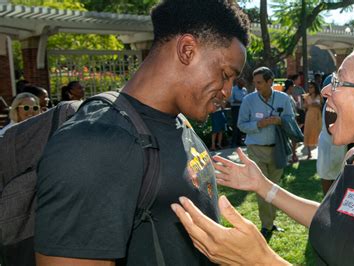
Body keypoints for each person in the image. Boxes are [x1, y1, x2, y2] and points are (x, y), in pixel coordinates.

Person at [172, 42, 354, 265]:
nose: (325, 90)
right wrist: (263, 186)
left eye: (339, 82)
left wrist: (261, 260)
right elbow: (333, 221)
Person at [34, 1, 249, 265]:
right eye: (225, 74)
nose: (228, 91)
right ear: (187, 50)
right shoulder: (93, 145)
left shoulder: (180, 122)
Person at [237, 66, 294, 239]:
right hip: (256, 150)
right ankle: (266, 224)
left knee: (274, 188)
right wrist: (258, 125)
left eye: (260, 82)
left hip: (277, 148)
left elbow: (291, 120)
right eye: (255, 83)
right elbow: (241, 124)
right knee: (262, 189)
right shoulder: (248, 100)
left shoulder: (283, 98)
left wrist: (280, 121)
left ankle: (272, 221)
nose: (257, 86)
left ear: (271, 82)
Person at [317, 74, 347, 195]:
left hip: (334, 146)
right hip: (332, 147)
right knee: (330, 180)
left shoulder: (335, 104)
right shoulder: (332, 105)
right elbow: (332, 129)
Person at [302, 80, 323, 159]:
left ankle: (319, 153)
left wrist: (317, 104)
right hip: (309, 115)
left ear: (315, 87)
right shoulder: (306, 96)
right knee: (308, 132)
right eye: (309, 87)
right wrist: (307, 104)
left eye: (311, 87)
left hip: (317, 116)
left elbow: (321, 106)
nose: (310, 89)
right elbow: (304, 107)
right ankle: (309, 153)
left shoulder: (319, 95)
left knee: (318, 132)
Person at [229, 78, 247, 147]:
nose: (243, 86)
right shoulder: (233, 89)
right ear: (238, 83)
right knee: (235, 125)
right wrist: (241, 101)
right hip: (235, 108)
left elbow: (246, 99)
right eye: (242, 84)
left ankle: (239, 141)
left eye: (244, 85)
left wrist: (241, 101)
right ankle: (234, 142)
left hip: (242, 109)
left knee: (241, 124)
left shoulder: (244, 90)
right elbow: (231, 100)